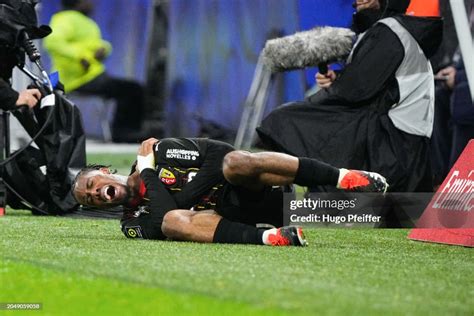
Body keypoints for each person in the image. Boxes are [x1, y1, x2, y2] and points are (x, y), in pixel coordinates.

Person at [257, 0, 443, 192]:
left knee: (283, 121)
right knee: (295, 122)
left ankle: (282, 204)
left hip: (394, 148)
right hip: (402, 143)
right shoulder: (391, 30)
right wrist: (337, 79)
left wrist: (320, 99)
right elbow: (373, 85)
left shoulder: (389, 32)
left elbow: (353, 93)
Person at [72, 137, 388, 246]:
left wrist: (180, 197)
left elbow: (219, 152)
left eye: (91, 184)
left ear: (105, 172)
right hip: (233, 223)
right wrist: (149, 172)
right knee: (173, 223)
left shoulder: (165, 150)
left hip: (254, 191)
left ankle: (344, 177)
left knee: (235, 161)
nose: (95, 193)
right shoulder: (130, 223)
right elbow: (163, 222)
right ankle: (271, 239)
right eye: (90, 199)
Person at [43, 0, 146, 142]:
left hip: (93, 76)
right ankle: (123, 133)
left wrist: (104, 48)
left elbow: (97, 44)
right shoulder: (64, 19)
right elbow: (52, 42)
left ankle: (125, 132)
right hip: (75, 80)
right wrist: (80, 56)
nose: (92, 3)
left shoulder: (86, 22)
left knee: (132, 88)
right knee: (131, 90)